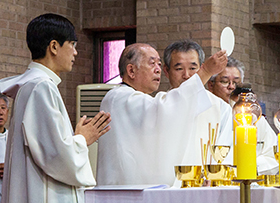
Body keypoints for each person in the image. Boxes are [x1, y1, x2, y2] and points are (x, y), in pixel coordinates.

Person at [0, 13, 111, 203]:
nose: (76, 53)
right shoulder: (40, 87)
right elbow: (56, 155)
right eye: (73, 45)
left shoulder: (32, 86)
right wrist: (81, 139)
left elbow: (48, 145)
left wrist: (73, 137)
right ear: (54, 46)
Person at [96, 43, 227, 186]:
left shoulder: (140, 100)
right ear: (131, 70)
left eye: (159, 64)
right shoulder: (119, 98)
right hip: (123, 191)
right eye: (152, 64)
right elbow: (165, 109)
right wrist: (206, 71)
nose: (157, 70)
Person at [163, 40, 233, 169]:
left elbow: (227, 149)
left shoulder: (220, 108)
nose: (187, 75)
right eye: (179, 69)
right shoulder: (160, 107)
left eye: (193, 68)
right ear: (166, 71)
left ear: (201, 68)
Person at [207, 57, 279, 175]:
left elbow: (273, 157)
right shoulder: (204, 116)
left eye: (236, 83)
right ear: (211, 85)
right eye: (225, 81)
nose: (231, 87)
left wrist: (249, 166)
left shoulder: (254, 118)